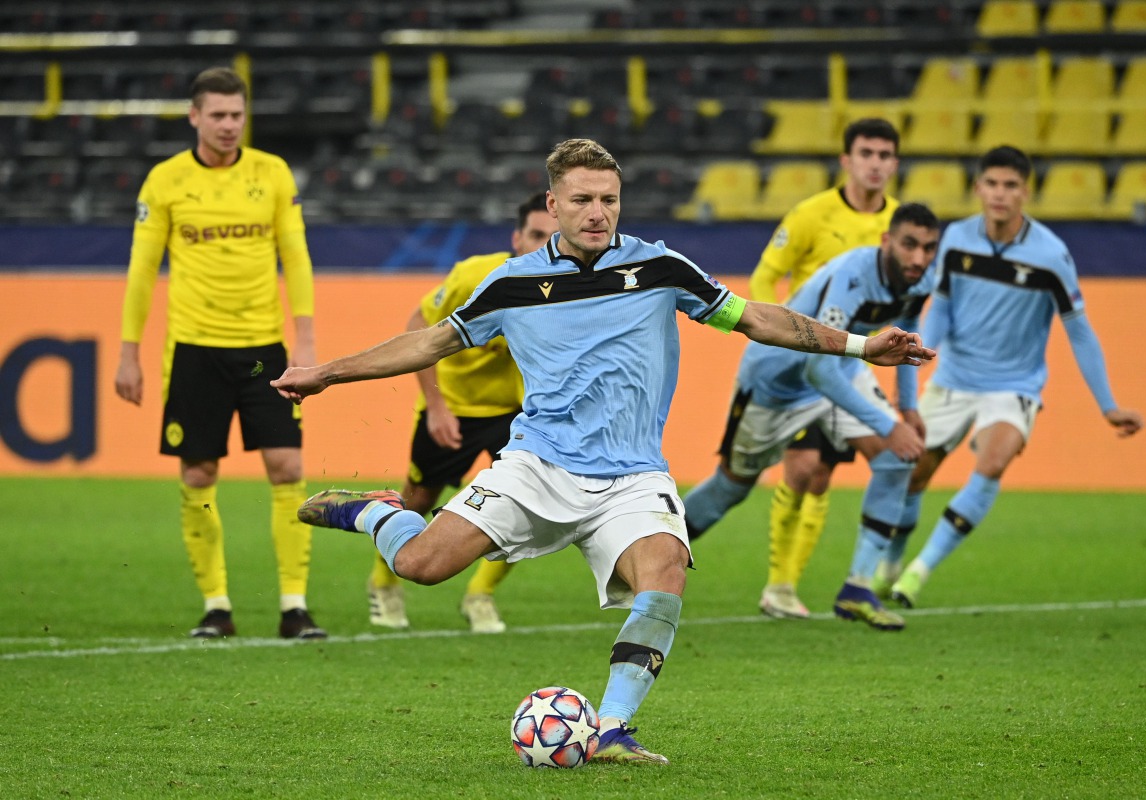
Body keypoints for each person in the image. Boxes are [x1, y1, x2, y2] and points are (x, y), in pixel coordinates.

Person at [271, 139, 933, 763]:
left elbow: (756, 318)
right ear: (552, 205)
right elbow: (428, 343)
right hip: (536, 466)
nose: (598, 213)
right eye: (583, 200)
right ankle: (376, 513)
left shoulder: (660, 268)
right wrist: (327, 371)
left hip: (631, 476)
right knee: (419, 564)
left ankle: (612, 729)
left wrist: (859, 346)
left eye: (609, 199)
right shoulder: (511, 284)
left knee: (667, 569)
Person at [874, 146, 1144, 608]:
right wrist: (919, 354)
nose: (1000, 194)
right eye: (993, 184)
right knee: (913, 473)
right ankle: (891, 565)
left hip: (1013, 387)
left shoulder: (1051, 255)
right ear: (978, 188)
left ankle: (918, 573)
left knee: (993, 462)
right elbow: (943, 306)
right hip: (955, 380)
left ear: (1026, 191)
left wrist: (1108, 405)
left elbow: (1079, 331)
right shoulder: (956, 240)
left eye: (1011, 185)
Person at [114, 67, 326, 640]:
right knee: (200, 470)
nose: (230, 125)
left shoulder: (273, 173)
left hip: (264, 351)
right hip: (194, 350)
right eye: (218, 115)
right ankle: (216, 606)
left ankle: (293, 606)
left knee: (287, 467)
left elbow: (297, 257)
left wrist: (304, 342)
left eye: (237, 115)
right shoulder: (165, 181)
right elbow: (141, 271)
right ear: (195, 116)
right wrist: (128, 352)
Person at [684, 203, 941, 631]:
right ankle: (654, 551)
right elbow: (814, 366)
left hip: (843, 370)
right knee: (732, 486)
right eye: (909, 245)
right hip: (776, 383)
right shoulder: (854, 275)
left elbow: (908, 336)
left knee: (898, 458)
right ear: (886, 242)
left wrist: (908, 409)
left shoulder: (922, 279)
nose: (919, 258)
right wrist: (888, 424)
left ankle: (858, 589)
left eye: (928, 248)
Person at [367, 193, 557, 633]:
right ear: (516, 237)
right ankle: (383, 583)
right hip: (451, 406)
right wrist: (436, 405)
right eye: (534, 235)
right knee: (417, 499)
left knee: (525, 506)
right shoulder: (474, 275)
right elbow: (418, 324)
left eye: (553, 237)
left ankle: (480, 595)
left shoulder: (565, 290)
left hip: (514, 414)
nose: (542, 245)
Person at [741, 118, 902, 620]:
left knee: (823, 475)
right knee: (803, 467)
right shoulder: (812, 214)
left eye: (884, 154)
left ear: (894, 163)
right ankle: (779, 586)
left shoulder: (900, 228)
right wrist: (775, 336)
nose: (875, 163)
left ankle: (825, 585)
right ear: (846, 160)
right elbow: (767, 274)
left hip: (851, 365)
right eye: (866, 152)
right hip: (803, 360)